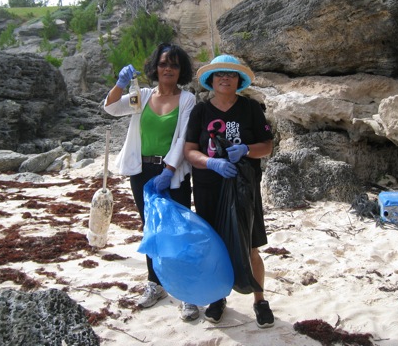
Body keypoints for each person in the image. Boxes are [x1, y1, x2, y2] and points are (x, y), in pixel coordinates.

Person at [103, 43, 200, 321]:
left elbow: (183, 138)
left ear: (181, 70)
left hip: (173, 173)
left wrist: (168, 170)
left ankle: (185, 292)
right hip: (141, 172)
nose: (168, 69)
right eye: (163, 63)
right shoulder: (142, 95)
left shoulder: (187, 99)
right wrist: (120, 84)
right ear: (155, 67)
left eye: (174, 65)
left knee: (178, 229)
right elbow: (111, 108)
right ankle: (155, 283)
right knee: (151, 229)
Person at [184, 54, 275, 329]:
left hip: (244, 188)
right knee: (214, 246)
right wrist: (211, 162)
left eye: (231, 74)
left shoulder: (250, 108)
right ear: (211, 80)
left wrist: (246, 149)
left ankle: (260, 300)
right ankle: (218, 297)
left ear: (239, 80)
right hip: (208, 188)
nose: (225, 78)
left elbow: (267, 146)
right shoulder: (200, 111)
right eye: (220, 74)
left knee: (251, 245)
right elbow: (190, 151)